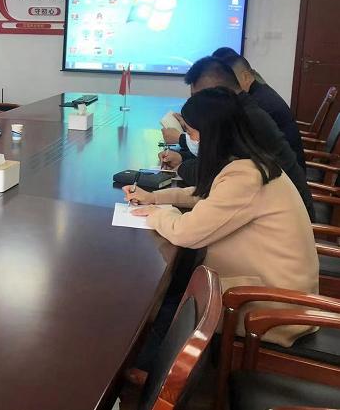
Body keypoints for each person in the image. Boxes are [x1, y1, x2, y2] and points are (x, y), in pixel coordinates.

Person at [126, 87, 318, 348]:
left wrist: (157, 213)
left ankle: (152, 364)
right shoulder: (251, 163)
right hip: (268, 287)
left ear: (211, 134)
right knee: (176, 289)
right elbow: (210, 196)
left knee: (169, 308)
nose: (189, 139)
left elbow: (185, 233)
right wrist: (155, 197)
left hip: (270, 308)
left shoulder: (245, 177)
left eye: (191, 132)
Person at [159, 57, 314, 220]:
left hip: (283, 218)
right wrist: (183, 158)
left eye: (198, 98)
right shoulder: (243, 110)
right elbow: (217, 163)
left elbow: (212, 175)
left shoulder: (246, 119)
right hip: (272, 209)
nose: (196, 104)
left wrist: (181, 166)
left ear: (216, 94)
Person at [221, 53, 305, 169]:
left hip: (286, 174)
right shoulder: (260, 91)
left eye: (229, 83)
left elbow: (243, 148)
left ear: (245, 77)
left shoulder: (258, 105)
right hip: (281, 166)